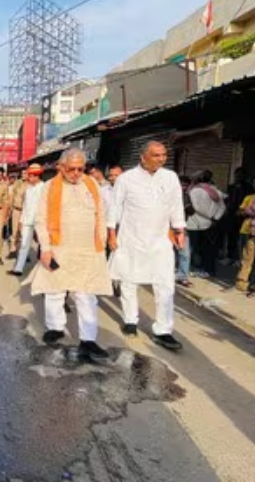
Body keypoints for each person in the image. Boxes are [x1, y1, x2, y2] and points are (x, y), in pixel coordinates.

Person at [28, 149, 111, 360]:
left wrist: (101, 243)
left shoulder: (92, 185)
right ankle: (56, 327)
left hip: (88, 248)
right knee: (55, 289)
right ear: (61, 167)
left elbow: (101, 213)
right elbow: (40, 219)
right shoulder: (49, 187)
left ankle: (88, 340)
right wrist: (45, 248)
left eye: (80, 169)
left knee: (87, 294)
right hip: (59, 247)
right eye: (71, 169)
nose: (76, 173)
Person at [108, 141, 186, 351]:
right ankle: (130, 320)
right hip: (131, 238)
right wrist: (111, 233)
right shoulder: (126, 179)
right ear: (143, 157)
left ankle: (163, 330)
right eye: (156, 155)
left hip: (160, 240)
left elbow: (176, 204)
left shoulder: (170, 177)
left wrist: (179, 229)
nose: (162, 159)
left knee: (165, 285)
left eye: (164, 155)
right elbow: (114, 207)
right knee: (128, 280)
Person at [186, 170, 227, 278]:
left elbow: (197, 208)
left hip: (195, 225)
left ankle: (195, 269)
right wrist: (215, 218)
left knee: (193, 248)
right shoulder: (216, 191)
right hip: (211, 224)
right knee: (209, 249)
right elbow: (223, 207)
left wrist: (209, 217)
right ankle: (208, 270)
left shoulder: (194, 191)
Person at [9, 164, 44, 277]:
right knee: (24, 244)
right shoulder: (28, 188)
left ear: (36, 176)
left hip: (39, 221)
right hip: (27, 221)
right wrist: (21, 220)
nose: (28, 178)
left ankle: (43, 270)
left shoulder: (43, 188)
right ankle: (18, 269)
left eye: (30, 176)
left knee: (43, 245)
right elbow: (26, 205)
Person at [236, 176, 255, 267]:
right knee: (243, 250)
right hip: (245, 229)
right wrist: (247, 213)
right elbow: (239, 212)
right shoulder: (249, 197)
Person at [225, 167, 251, 264]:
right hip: (231, 216)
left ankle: (239, 259)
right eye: (236, 175)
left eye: (240, 175)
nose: (238, 177)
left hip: (243, 217)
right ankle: (229, 256)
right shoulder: (231, 187)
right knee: (231, 236)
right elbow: (228, 200)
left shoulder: (248, 188)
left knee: (241, 239)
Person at [176, 175, 195, 287]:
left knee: (185, 253)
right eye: (182, 184)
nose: (183, 187)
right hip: (167, 228)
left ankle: (182, 276)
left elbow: (190, 210)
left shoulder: (186, 196)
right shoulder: (168, 195)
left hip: (181, 228)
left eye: (186, 185)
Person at [8, 168, 30, 259]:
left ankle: (25, 253)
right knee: (14, 231)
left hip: (26, 211)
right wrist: (10, 209)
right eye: (22, 173)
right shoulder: (17, 183)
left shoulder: (31, 184)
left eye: (25, 173)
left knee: (25, 232)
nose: (24, 174)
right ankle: (13, 251)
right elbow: (12, 196)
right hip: (16, 210)